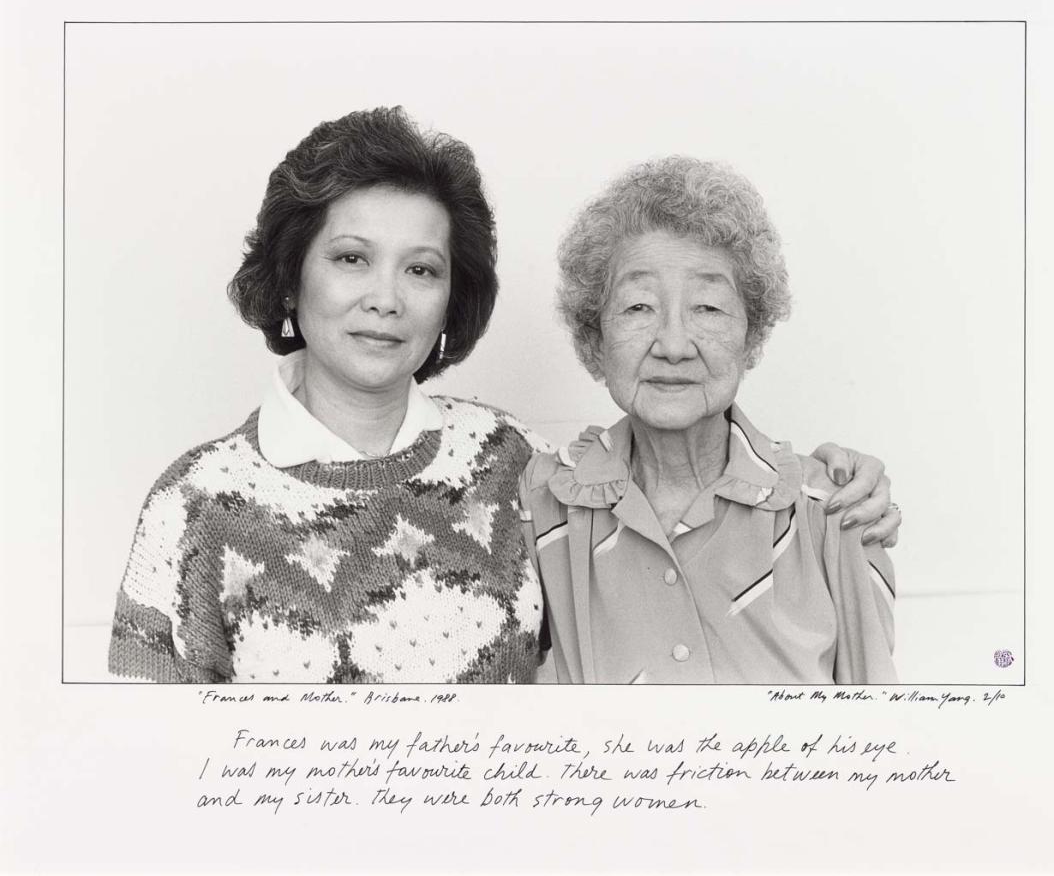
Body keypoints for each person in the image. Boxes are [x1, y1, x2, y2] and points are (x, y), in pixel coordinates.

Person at [107, 107, 899, 684]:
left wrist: (843, 482)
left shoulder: (510, 468)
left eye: (421, 269)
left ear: (453, 298)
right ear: (291, 275)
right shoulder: (194, 504)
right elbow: (139, 786)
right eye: (351, 258)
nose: (386, 297)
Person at [519, 156, 899, 684]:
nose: (673, 346)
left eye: (709, 309)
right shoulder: (541, 506)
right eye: (637, 307)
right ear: (594, 336)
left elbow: (883, 737)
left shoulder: (836, 512)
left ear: (752, 335)